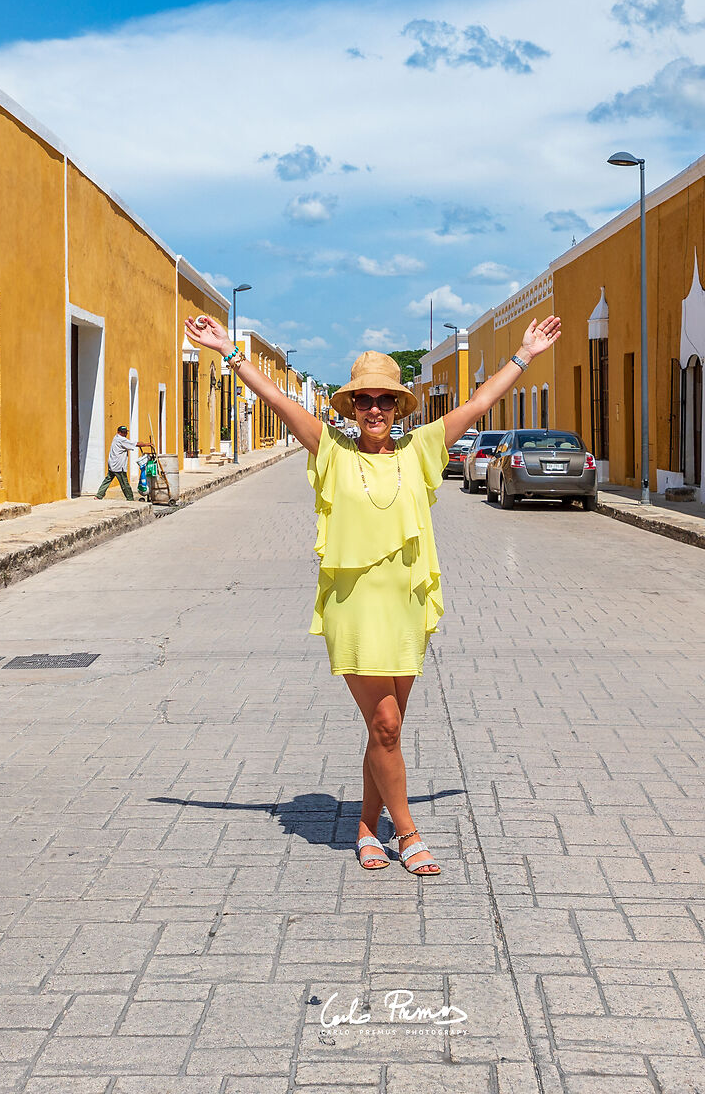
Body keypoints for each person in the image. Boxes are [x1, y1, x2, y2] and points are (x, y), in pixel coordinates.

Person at [184, 310, 563, 876]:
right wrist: (228, 352)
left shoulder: (421, 450)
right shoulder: (332, 452)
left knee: (385, 731)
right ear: (351, 409)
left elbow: (479, 404)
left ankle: (365, 828)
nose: (375, 410)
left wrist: (524, 355)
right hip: (355, 608)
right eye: (364, 401)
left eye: (385, 400)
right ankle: (406, 832)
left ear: (398, 407)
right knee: (385, 725)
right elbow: (280, 402)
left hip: (406, 606)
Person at [94, 425, 135, 499]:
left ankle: (99, 495)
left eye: (126, 432)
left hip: (112, 464)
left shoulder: (116, 438)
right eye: (123, 432)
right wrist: (147, 444)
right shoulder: (121, 439)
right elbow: (134, 444)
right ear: (119, 432)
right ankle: (130, 498)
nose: (125, 434)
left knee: (107, 480)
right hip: (118, 465)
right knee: (124, 483)